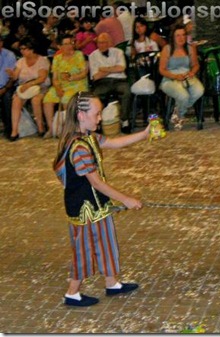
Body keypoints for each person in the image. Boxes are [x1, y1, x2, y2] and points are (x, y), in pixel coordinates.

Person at [52, 91, 148, 307]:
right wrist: (126, 199)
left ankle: (112, 283)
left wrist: (144, 134)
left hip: (97, 204)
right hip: (84, 208)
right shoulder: (78, 148)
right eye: (96, 114)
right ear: (81, 115)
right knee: (84, 250)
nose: (100, 118)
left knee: (105, 242)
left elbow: (113, 143)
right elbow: (96, 182)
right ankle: (72, 293)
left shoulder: (89, 137)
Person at [43, 34, 89, 138]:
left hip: (77, 83)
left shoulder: (78, 55)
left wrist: (71, 77)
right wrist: (58, 88)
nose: (69, 46)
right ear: (60, 46)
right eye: (66, 44)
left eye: (70, 43)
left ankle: (67, 130)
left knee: (66, 99)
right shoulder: (57, 58)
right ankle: (52, 129)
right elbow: (54, 78)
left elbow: (83, 73)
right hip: (61, 85)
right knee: (47, 99)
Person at [159, 24, 204, 129]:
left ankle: (178, 110)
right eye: (178, 35)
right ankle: (180, 115)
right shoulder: (167, 49)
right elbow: (162, 69)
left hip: (187, 76)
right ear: (173, 37)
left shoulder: (190, 48)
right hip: (170, 78)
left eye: (183, 35)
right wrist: (174, 76)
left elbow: (196, 65)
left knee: (199, 91)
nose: (181, 38)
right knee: (183, 95)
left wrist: (192, 72)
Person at [6, 37, 51, 141]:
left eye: (24, 48)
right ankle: (15, 130)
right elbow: (16, 77)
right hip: (24, 88)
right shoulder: (21, 61)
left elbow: (42, 78)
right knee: (16, 100)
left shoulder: (42, 60)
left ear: (31, 49)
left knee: (36, 100)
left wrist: (29, 84)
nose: (21, 51)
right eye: (20, 49)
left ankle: (40, 126)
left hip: (40, 87)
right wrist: (12, 74)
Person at [88, 33, 132, 134]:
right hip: (102, 82)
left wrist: (104, 69)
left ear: (109, 43)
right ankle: (97, 123)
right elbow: (95, 76)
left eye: (104, 42)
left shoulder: (119, 52)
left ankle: (124, 120)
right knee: (96, 96)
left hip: (119, 80)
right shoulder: (93, 56)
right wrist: (114, 69)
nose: (101, 45)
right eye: (99, 43)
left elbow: (122, 68)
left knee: (127, 92)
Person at [0, 35, 17, 138]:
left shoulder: (10, 55)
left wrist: (4, 88)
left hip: (7, 86)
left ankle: (9, 128)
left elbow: (12, 77)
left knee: (7, 98)